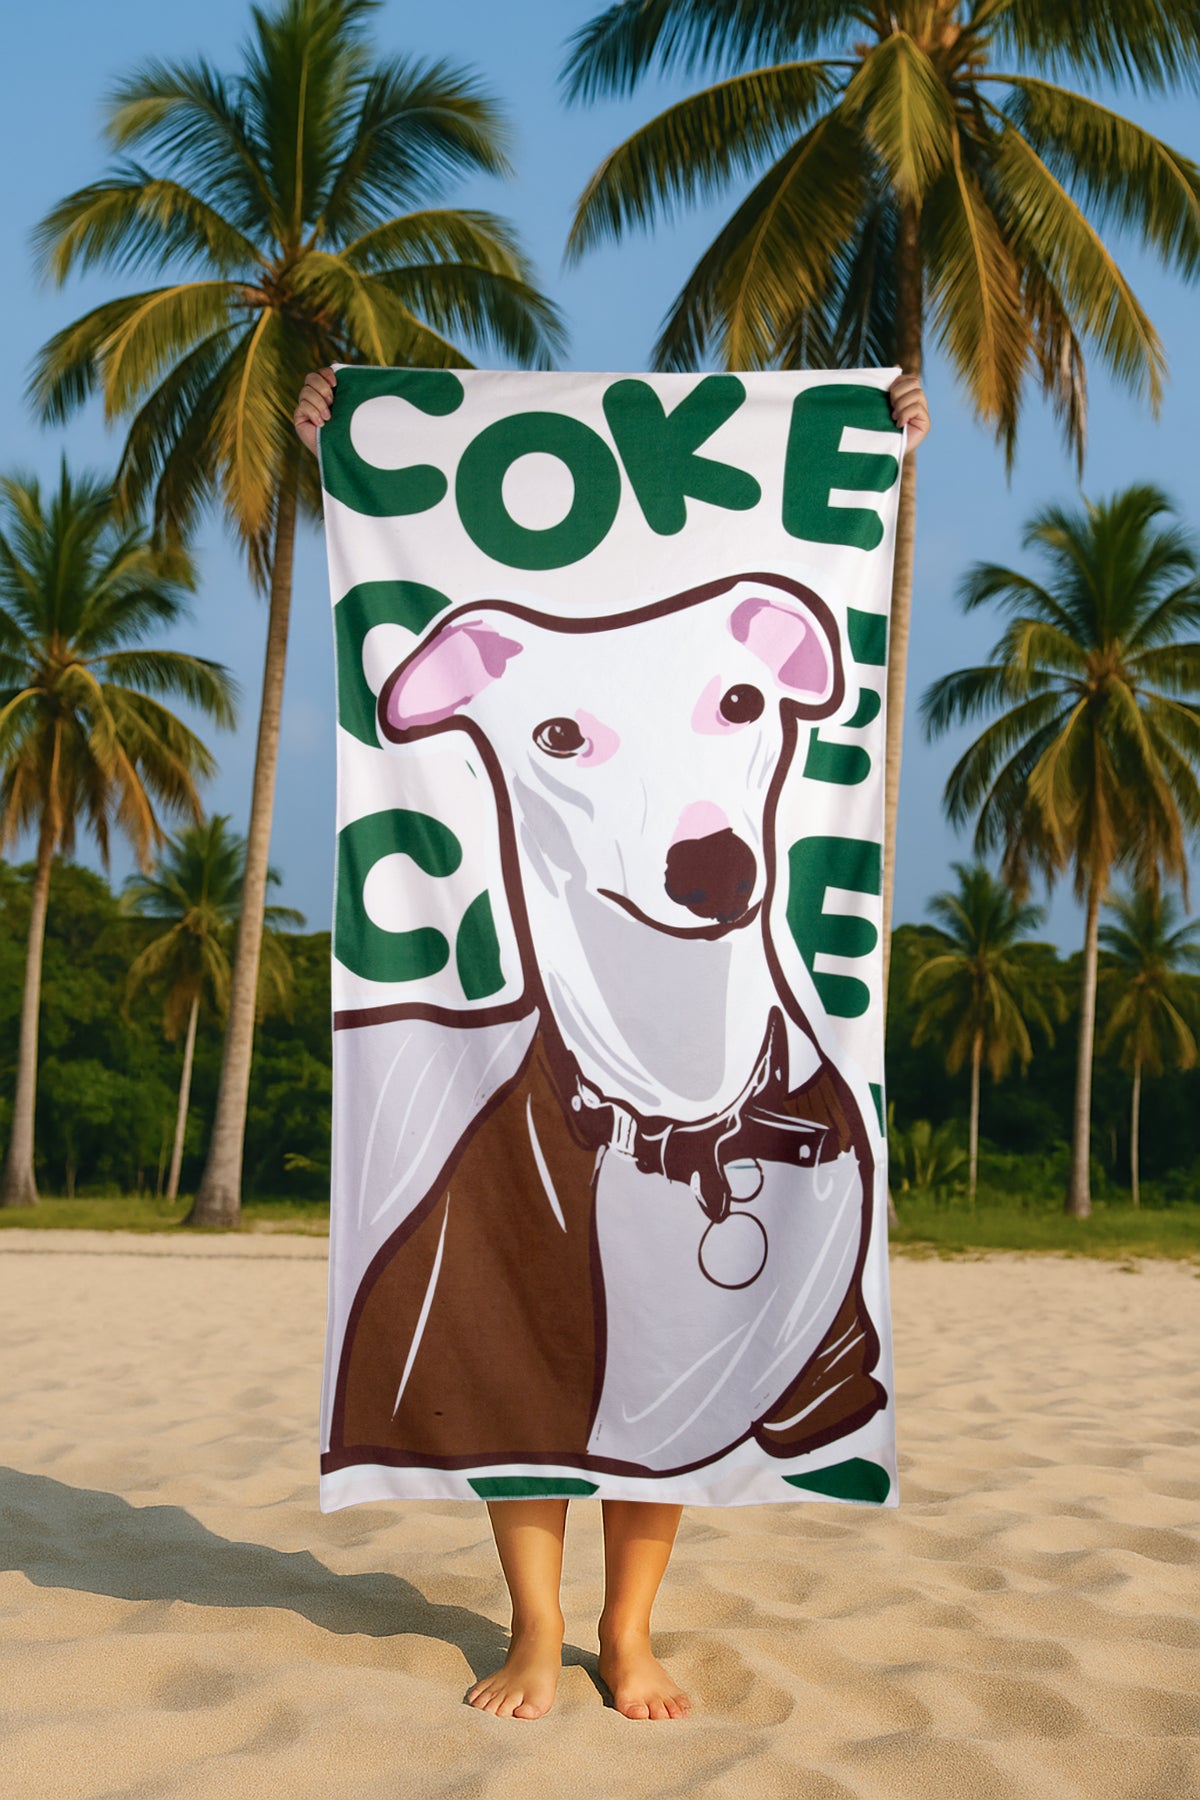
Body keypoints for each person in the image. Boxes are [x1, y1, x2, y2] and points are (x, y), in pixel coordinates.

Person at [294, 364, 931, 1722]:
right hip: (570, 1111)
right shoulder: (491, 1166)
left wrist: (878, 443)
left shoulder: (822, 1136)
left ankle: (626, 1631)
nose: (692, 826)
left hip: (751, 1119)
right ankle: (535, 1632)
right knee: (514, 1359)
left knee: (693, 1368)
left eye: (739, 707)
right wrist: (346, 437)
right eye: (570, 737)